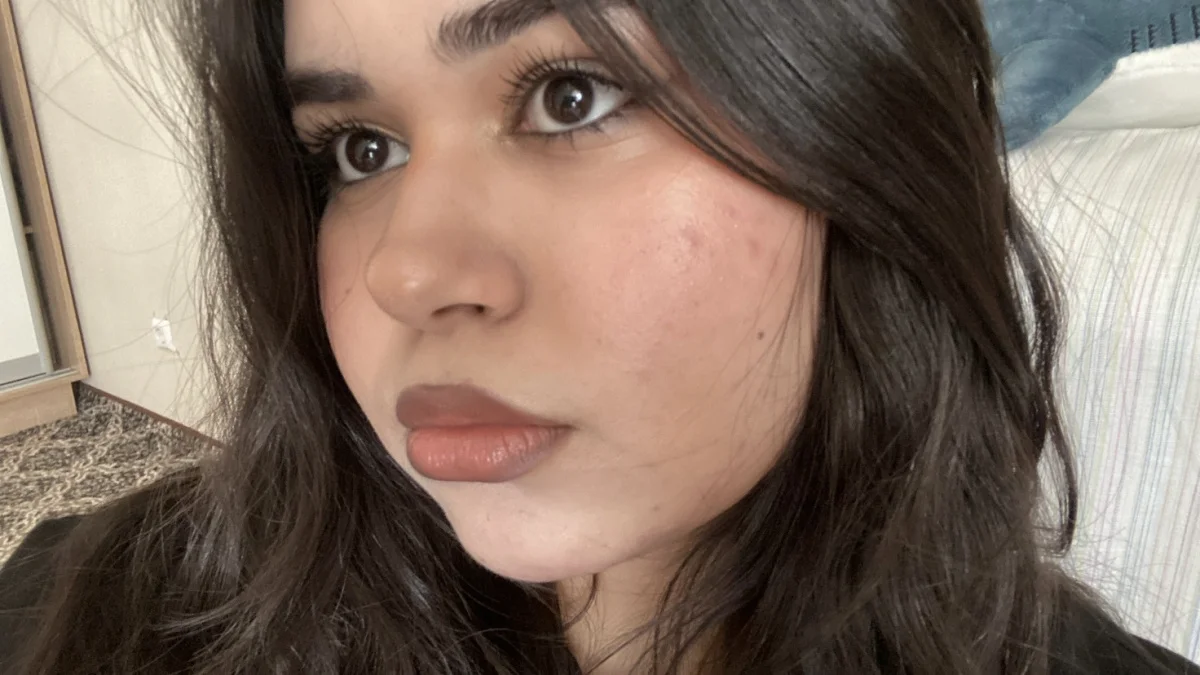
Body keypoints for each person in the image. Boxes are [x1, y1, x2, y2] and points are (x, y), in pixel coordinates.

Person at [2, 0, 1198, 673]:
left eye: (571, 96)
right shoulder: (99, 614)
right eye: (360, 151)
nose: (407, 272)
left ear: (862, 148)